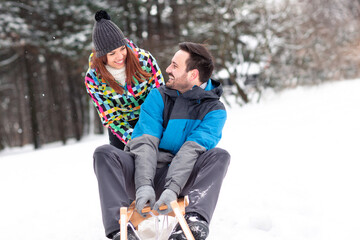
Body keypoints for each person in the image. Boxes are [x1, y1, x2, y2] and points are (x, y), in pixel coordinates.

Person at [93, 42, 230, 240]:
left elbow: (191, 150)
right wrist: (143, 185)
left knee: (219, 156)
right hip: (143, 172)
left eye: (175, 66)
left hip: (182, 179)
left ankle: (193, 224)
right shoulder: (158, 96)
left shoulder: (214, 110)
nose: (167, 69)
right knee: (104, 153)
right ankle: (120, 230)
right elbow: (145, 142)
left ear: (193, 75)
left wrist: (172, 188)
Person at [85, 10, 164, 150]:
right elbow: (111, 118)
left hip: (150, 116)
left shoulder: (144, 60)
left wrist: (150, 131)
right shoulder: (93, 79)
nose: (120, 56)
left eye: (122, 49)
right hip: (121, 124)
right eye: (112, 53)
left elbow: (160, 97)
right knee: (123, 161)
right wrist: (134, 140)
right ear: (102, 56)